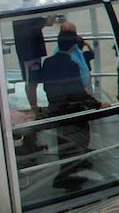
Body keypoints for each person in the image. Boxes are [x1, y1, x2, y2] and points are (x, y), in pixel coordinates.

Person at [41, 29, 102, 190]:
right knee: (79, 138)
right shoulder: (72, 65)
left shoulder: (48, 62)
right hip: (71, 109)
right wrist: (97, 104)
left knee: (64, 142)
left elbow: (47, 86)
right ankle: (69, 177)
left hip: (56, 108)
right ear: (73, 46)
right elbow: (77, 92)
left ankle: (74, 168)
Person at [11, 0, 57, 115]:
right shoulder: (30, 14)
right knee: (31, 81)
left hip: (27, 53)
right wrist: (54, 9)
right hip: (30, 54)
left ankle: (34, 107)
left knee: (32, 81)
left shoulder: (19, 13)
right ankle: (34, 108)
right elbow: (49, 22)